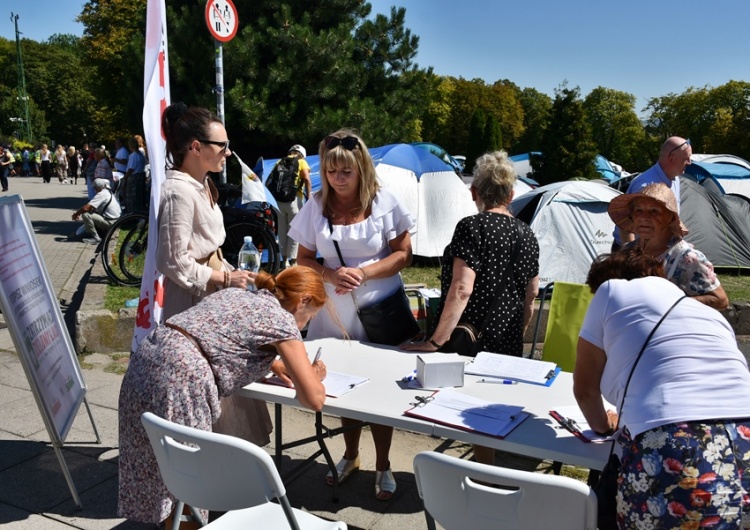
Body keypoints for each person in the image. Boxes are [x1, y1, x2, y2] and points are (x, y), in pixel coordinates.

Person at [117, 267, 329, 525]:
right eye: (311, 316)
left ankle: (169, 524)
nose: (307, 324)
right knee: (189, 479)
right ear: (303, 300)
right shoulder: (281, 320)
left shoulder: (237, 295)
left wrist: (275, 363)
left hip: (149, 357)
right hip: (182, 376)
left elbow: (222, 333)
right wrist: (313, 373)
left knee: (161, 462)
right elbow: (314, 399)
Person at [573, 247, 750, 529]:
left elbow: (585, 389)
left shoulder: (610, 291)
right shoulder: (707, 313)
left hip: (676, 441)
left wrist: (605, 426)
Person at [290, 129, 416, 500]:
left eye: (345, 171)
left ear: (361, 169)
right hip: (333, 309)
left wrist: (364, 273)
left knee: (380, 386)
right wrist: (329, 275)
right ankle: (350, 455)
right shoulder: (315, 205)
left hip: (378, 306)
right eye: (331, 171)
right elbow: (304, 258)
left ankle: (384, 464)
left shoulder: (385, 202)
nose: (338, 178)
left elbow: (404, 254)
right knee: (342, 384)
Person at [402, 150, 540, 465]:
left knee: (463, 411)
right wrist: (516, 330)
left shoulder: (471, 227)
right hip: (505, 339)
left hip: (470, 339)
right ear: (512, 195)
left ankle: (473, 478)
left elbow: (461, 288)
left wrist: (435, 340)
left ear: (474, 191)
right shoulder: (528, 234)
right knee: (489, 415)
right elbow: (531, 294)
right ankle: (485, 472)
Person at [157, 102, 271, 446]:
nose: (227, 152)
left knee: (228, 384)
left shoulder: (201, 183)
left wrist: (233, 273)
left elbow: (207, 249)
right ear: (195, 147)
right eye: (221, 145)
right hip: (193, 305)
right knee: (207, 386)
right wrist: (223, 279)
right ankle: (207, 477)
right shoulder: (177, 191)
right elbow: (172, 261)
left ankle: (231, 470)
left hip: (214, 295)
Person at [608, 183, 729, 310]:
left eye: (654, 211)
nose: (644, 217)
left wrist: (673, 304)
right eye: (638, 210)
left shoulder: (687, 258)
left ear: (671, 218)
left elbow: (721, 300)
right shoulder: (628, 251)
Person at [612, 136, 691, 251]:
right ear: (671, 158)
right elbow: (625, 224)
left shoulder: (675, 179)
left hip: (655, 250)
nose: (689, 163)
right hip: (633, 252)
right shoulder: (645, 185)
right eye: (686, 158)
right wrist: (632, 257)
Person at [269, 144, 312, 268]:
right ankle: (293, 261)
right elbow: (307, 179)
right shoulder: (302, 162)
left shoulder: (279, 161)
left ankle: (284, 260)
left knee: (282, 230)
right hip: (294, 200)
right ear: (302, 154)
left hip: (278, 202)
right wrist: (309, 197)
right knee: (295, 231)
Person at [72, 178, 121, 244]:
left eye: (95, 188)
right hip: (117, 222)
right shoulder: (108, 192)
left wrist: (77, 213)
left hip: (111, 223)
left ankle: (96, 238)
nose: (94, 190)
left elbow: (86, 208)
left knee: (86, 214)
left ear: (97, 188)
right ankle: (100, 233)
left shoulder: (101, 194)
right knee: (93, 213)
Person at [122, 136, 147, 214]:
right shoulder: (141, 155)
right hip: (141, 175)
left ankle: (132, 214)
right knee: (139, 196)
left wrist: (125, 177)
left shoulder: (133, 155)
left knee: (132, 197)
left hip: (134, 177)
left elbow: (131, 168)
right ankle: (139, 212)